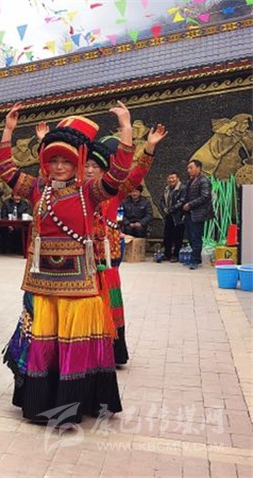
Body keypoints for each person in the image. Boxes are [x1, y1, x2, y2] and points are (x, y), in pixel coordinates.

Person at [0, 103, 132, 426]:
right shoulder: (37, 189)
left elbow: (118, 174)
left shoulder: (89, 191)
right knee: (45, 346)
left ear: (78, 163)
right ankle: (41, 403)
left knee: (74, 346)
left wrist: (126, 128)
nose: (59, 167)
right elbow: (6, 171)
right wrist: (8, 130)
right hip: (43, 283)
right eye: (54, 161)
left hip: (79, 284)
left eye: (66, 161)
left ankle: (72, 406)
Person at [82, 121, 167, 367]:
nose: (90, 170)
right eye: (86, 165)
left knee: (110, 302)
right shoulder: (77, 192)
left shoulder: (115, 191)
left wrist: (149, 148)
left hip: (108, 260)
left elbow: (137, 174)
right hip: (83, 259)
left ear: (105, 170)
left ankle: (112, 352)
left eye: (95, 166)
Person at [183, 159, 212, 269]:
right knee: (190, 237)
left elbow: (205, 196)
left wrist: (190, 204)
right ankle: (196, 258)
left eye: (191, 168)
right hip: (189, 213)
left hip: (198, 214)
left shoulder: (203, 181)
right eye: (188, 168)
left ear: (198, 168)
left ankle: (194, 261)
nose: (188, 170)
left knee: (196, 237)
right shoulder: (190, 181)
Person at [159, 172, 187, 262]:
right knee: (167, 236)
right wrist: (164, 208)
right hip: (168, 215)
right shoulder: (166, 189)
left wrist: (171, 209)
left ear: (178, 178)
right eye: (169, 178)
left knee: (177, 236)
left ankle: (176, 255)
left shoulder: (183, 188)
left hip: (178, 216)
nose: (171, 180)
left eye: (173, 178)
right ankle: (167, 254)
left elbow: (182, 201)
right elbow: (162, 200)